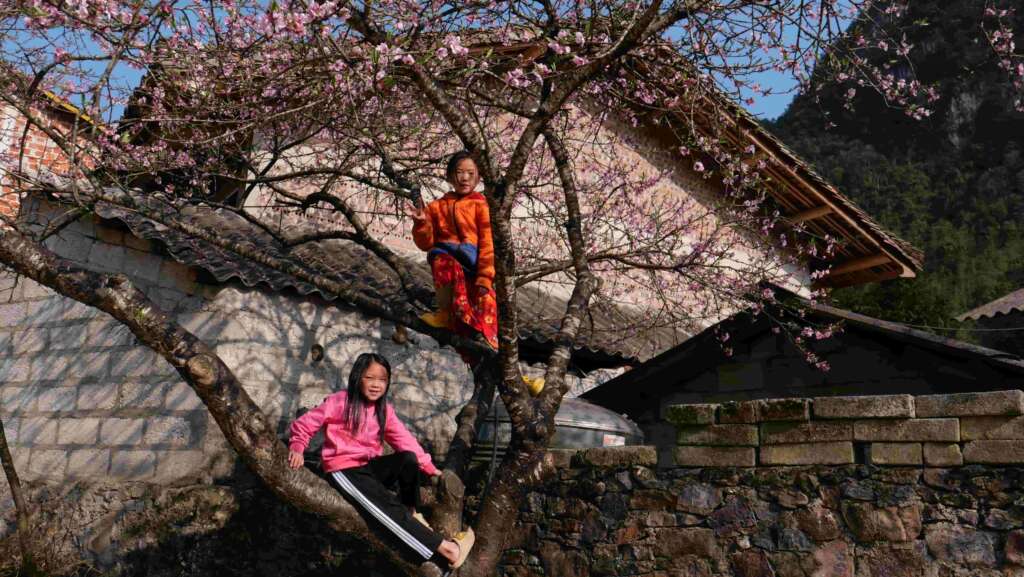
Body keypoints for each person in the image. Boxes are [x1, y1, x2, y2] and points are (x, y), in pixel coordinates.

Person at [287, 352, 474, 569]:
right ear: (358, 378)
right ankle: (447, 550)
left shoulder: (383, 410)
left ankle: (412, 512)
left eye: (382, 380)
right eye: (370, 378)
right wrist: (298, 447)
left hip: (368, 467)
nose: (376, 385)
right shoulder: (340, 401)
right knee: (387, 507)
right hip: (345, 470)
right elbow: (306, 423)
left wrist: (431, 469)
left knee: (408, 459)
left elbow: (404, 440)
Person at [412, 150, 498, 355]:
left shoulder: (482, 205)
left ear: (478, 177)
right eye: (460, 172)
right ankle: (444, 314)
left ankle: (502, 359)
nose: (465, 178)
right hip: (448, 262)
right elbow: (426, 243)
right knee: (441, 259)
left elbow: (487, 244)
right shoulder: (436, 207)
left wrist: (485, 277)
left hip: (474, 266)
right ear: (450, 176)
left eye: (471, 173)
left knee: (486, 308)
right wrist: (421, 224)